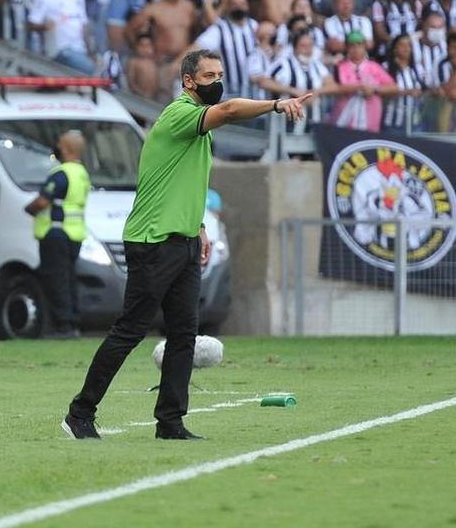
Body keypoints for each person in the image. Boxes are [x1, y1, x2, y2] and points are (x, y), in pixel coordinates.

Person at [61, 50, 313, 441]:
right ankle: (80, 413)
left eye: (221, 73)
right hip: (153, 242)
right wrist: (277, 104)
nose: (217, 80)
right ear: (189, 82)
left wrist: (198, 226)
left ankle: (170, 422)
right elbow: (229, 110)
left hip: (182, 241)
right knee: (130, 331)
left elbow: (180, 182)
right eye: (210, 74)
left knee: (183, 334)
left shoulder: (200, 128)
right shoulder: (179, 114)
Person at [26, 130, 90, 339]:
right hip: (74, 235)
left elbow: (43, 201)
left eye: (60, 145)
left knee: (56, 281)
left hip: (56, 233)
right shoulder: (82, 173)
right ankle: (72, 323)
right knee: (68, 280)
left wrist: (30, 208)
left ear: (69, 149)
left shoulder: (61, 173)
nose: (57, 147)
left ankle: (62, 327)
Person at [329, 31, 398, 132]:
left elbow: (393, 87)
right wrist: (359, 87)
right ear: (347, 48)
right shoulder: (340, 67)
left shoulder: (374, 67)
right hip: (344, 124)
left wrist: (375, 89)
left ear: (364, 46)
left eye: (359, 45)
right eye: (352, 46)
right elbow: (336, 87)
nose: (356, 49)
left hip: (370, 123)